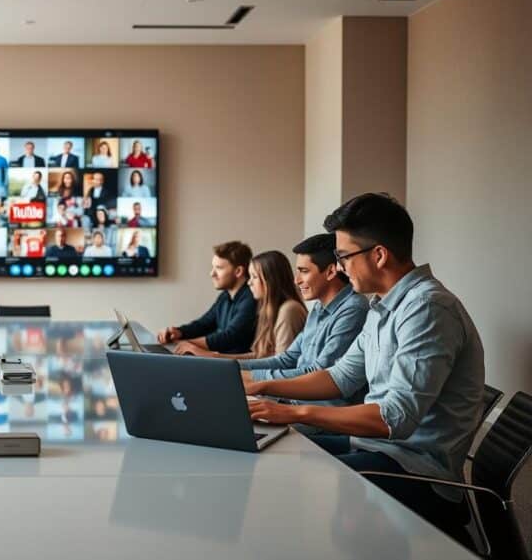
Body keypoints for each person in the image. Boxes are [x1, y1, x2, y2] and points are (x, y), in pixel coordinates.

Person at [242, 193, 484, 547]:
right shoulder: (381, 307)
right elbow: (340, 377)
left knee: (287, 477)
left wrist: (291, 411)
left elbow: (394, 418)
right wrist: (262, 389)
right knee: (276, 452)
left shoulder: (428, 308)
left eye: (343, 257)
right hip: (378, 449)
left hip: (417, 471)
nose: (338, 268)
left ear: (379, 254)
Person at [240, 234, 368, 405]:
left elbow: (318, 372)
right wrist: (233, 368)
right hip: (296, 405)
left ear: (330, 271)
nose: (296, 280)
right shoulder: (317, 308)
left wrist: (253, 378)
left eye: (304, 271)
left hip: (320, 417)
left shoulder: (353, 309)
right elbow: (286, 359)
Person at [185, 251, 307, 360]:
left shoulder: (289, 310)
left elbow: (281, 363)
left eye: (254, 277)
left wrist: (216, 357)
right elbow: (261, 355)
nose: (249, 282)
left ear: (270, 281)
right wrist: (217, 357)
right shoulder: (268, 310)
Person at [157, 241, 257, 355]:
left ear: (238, 271)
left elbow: (231, 337)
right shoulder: (225, 296)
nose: (212, 273)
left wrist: (185, 343)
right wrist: (179, 332)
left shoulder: (251, 297)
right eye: (212, 267)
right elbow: (204, 324)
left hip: (237, 367)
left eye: (219, 268)